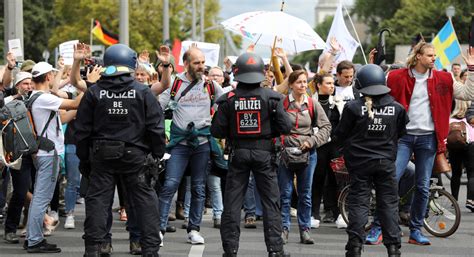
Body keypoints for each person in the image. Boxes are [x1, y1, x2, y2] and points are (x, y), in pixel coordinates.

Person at [366, 42, 474, 246]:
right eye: (430, 55)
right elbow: (375, 91)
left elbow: (468, 94)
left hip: (429, 139)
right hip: (402, 138)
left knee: (423, 186)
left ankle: (415, 230)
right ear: (418, 57)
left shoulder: (444, 77)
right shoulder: (397, 77)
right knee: (391, 181)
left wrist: (472, 69)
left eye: (435, 55)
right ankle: (378, 227)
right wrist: (371, 68)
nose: (434, 58)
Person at [75, 43, 166, 257]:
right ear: (131, 64)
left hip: (101, 155)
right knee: (145, 203)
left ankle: (93, 249)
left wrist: (85, 160)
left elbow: (82, 131)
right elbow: (156, 128)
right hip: (136, 156)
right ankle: (150, 250)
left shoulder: (94, 92)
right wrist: (157, 154)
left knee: (97, 203)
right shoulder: (143, 92)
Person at [211, 52, 292, 257]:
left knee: (232, 203)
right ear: (260, 73)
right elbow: (286, 126)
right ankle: (275, 250)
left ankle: (230, 250)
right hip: (265, 154)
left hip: (238, 154)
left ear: (237, 72)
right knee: (270, 202)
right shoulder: (271, 97)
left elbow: (216, 131)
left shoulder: (228, 99)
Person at [334, 64, 408, 257]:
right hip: (386, 163)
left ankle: (355, 248)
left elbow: (340, 135)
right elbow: (400, 134)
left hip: (359, 164)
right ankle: (393, 249)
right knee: (389, 205)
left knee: (359, 204)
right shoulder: (397, 108)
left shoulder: (352, 108)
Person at [157, 46, 223, 245]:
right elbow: (157, 108)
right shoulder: (175, 84)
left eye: (203, 62)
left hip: (202, 144)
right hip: (179, 144)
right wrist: (161, 136)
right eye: (197, 63)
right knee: (170, 185)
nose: (202, 66)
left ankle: (194, 229)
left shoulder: (210, 86)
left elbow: (226, 104)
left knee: (199, 188)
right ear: (186, 64)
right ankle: (159, 230)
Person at [26, 61, 84, 253]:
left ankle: (33, 237)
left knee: (39, 198)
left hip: (42, 153)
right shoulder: (44, 98)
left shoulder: (35, 97)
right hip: (48, 154)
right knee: (41, 199)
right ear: (48, 77)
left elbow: (64, 116)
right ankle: (34, 240)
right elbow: (75, 103)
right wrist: (90, 85)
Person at [278, 70, 331, 245]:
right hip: (285, 154)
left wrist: (312, 141)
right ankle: (284, 229)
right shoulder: (282, 103)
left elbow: (326, 127)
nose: (302, 85)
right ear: (291, 84)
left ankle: (305, 230)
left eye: (304, 82)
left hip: (308, 154)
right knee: (285, 194)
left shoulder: (312, 104)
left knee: (305, 194)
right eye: (299, 82)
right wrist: (280, 143)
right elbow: (273, 126)